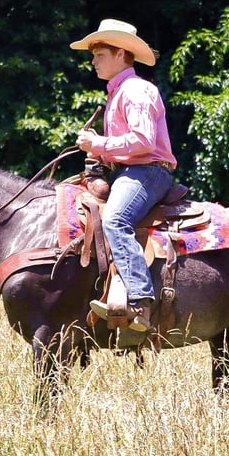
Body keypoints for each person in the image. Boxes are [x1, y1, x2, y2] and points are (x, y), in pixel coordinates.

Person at [71, 18, 177, 333]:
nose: (92, 62)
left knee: (115, 220)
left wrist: (98, 143)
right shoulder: (118, 93)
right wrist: (99, 154)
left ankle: (141, 300)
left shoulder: (135, 90)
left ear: (120, 54)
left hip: (148, 172)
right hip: (132, 172)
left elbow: (143, 142)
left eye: (99, 55)